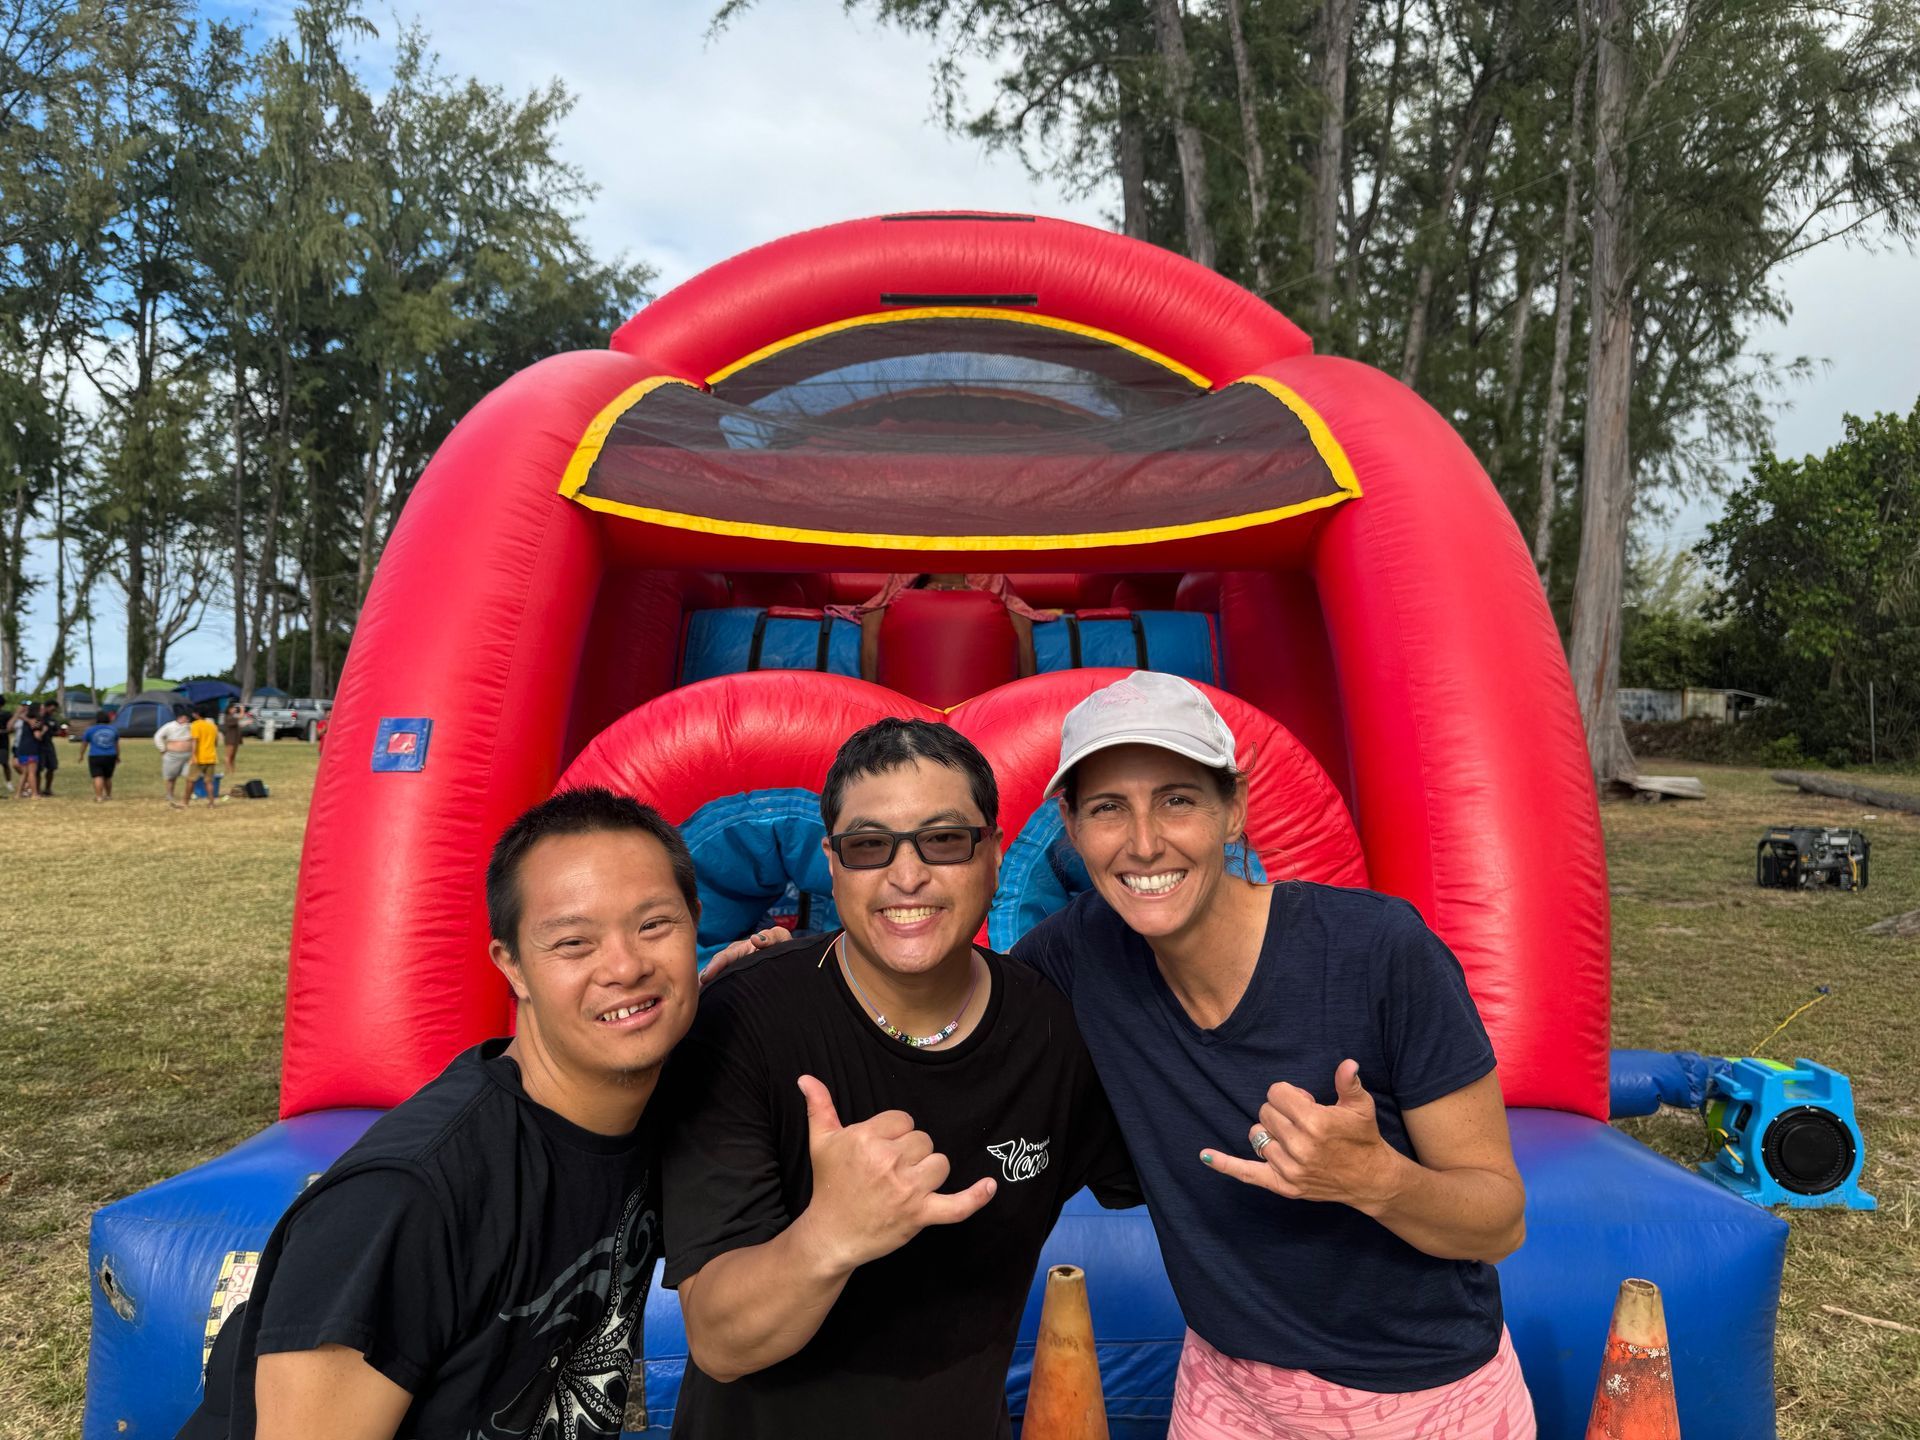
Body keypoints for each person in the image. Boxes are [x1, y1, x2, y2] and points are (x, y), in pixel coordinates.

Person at [714, 673, 1533, 1438]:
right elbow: (930, 962)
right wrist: (774, 967)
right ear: (1071, 828)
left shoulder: (1379, 951)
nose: (1143, 843)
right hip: (1225, 1389)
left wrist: (1376, 1181)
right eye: (1108, 809)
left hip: (1424, 1391)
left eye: (1177, 801)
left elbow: (1498, 1217)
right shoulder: (1075, 958)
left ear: (1233, 810)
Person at [176, 787, 700, 1440]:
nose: (625, 965)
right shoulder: (404, 1202)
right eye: (573, 942)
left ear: (696, 926)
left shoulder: (662, 1095)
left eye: (654, 926)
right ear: (511, 966)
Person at [663, 718, 1137, 1440]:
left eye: (943, 840)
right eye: (869, 845)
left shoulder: (1052, 1030)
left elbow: (1176, 1173)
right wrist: (833, 1235)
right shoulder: (745, 1021)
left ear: (994, 853)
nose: (906, 875)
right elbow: (722, 1344)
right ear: (832, 863)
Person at [835, 574, 1047, 681]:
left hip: (973, 568)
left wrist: (967, 592)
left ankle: (1027, 693)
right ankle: (873, 692)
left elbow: (1021, 617)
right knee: (872, 617)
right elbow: (873, 614)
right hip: (923, 566)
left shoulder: (989, 576)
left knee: (1021, 619)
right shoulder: (907, 573)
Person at [155, 707, 194, 809]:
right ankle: (169, 795)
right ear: (180, 717)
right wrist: (162, 749)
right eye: (185, 718)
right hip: (172, 755)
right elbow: (158, 736)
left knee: (189, 776)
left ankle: (189, 795)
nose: (187, 720)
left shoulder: (191, 726)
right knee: (171, 777)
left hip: (188, 755)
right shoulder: (169, 726)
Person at [82, 712, 121, 801]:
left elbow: (84, 744)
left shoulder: (91, 730)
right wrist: (118, 756)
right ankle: (108, 795)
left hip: (95, 755)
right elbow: (116, 745)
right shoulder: (113, 730)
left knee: (98, 776)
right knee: (108, 777)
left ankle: (99, 796)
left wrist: (81, 754)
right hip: (110, 755)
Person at [189, 708, 222, 806]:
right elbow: (215, 742)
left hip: (199, 757)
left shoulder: (195, 725)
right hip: (211, 757)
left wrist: (193, 756)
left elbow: (195, 741)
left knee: (190, 780)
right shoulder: (213, 726)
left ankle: (185, 802)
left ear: (196, 714)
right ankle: (211, 803)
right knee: (209, 781)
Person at [13, 702, 42, 800]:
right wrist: (43, 732)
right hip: (31, 749)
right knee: (32, 772)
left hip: (22, 748)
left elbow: (21, 716)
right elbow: (37, 735)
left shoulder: (26, 721)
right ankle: (34, 794)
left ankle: (18, 794)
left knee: (24, 773)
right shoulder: (37, 721)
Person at [37, 702, 60, 795]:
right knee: (37, 769)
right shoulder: (38, 718)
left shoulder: (53, 720)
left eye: (54, 710)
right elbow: (34, 727)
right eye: (52, 709)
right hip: (38, 746)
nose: (53, 711)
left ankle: (48, 788)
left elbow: (57, 731)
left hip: (49, 745)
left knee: (52, 767)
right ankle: (37, 789)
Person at [221, 701, 245, 773]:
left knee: (233, 757)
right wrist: (242, 710)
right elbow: (241, 717)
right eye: (233, 708)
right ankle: (228, 771)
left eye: (235, 708)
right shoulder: (228, 717)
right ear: (229, 709)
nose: (234, 710)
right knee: (228, 756)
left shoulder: (232, 717)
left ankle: (232, 771)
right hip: (230, 739)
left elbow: (236, 725)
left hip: (235, 739)